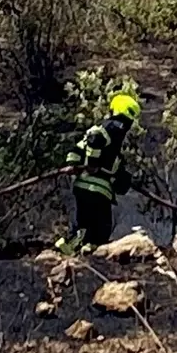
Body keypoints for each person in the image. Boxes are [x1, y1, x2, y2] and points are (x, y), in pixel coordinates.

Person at [55, 92, 140, 256]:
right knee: (99, 228)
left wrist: (73, 164)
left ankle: (75, 249)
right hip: (97, 190)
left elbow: (78, 152)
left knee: (86, 225)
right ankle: (80, 251)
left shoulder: (99, 131)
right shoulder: (113, 127)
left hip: (84, 187)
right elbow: (97, 143)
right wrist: (94, 164)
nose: (128, 125)